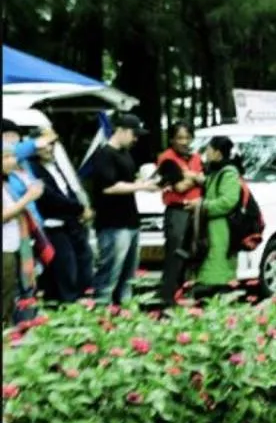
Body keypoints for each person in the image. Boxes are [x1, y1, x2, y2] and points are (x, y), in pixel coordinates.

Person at [14, 122, 91, 304]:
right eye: (46, 144)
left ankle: (81, 299)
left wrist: (80, 207)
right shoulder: (31, 167)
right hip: (52, 223)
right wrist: (79, 208)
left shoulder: (56, 165)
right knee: (65, 268)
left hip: (72, 221)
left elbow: (67, 190)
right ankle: (66, 303)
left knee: (84, 263)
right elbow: (49, 197)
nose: (50, 148)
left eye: (53, 144)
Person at [81, 113, 149, 307]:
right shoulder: (103, 154)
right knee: (110, 270)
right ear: (121, 131)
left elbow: (127, 181)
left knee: (128, 274)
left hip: (131, 220)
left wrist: (145, 182)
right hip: (112, 223)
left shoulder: (125, 154)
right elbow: (108, 187)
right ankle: (102, 309)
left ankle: (124, 311)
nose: (136, 139)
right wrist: (141, 187)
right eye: (133, 134)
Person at [153, 122, 205, 307]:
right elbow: (179, 186)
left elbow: (205, 179)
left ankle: (186, 293)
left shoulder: (197, 157)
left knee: (194, 253)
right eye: (180, 138)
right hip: (177, 211)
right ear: (172, 139)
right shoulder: (166, 158)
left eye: (187, 138)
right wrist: (196, 177)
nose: (184, 142)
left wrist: (189, 175)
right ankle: (167, 298)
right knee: (175, 253)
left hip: (196, 211)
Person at [192, 136, 244, 300]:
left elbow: (228, 201)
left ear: (217, 153)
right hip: (213, 227)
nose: (205, 153)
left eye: (208, 150)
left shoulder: (228, 173)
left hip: (223, 229)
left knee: (219, 265)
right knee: (211, 264)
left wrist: (202, 206)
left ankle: (219, 298)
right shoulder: (216, 172)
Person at [3, 127, 45, 326]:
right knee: (6, 297)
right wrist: (28, 198)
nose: (12, 161)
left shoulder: (7, 184)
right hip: (4, 248)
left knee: (16, 295)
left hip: (14, 245)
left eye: (13, 156)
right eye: (6, 158)